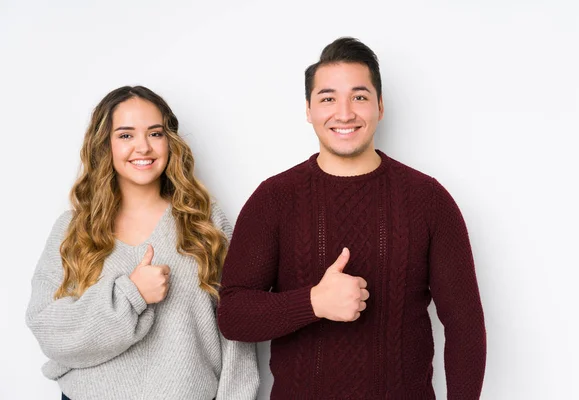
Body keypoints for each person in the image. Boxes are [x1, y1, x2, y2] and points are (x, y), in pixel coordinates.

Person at [217, 37, 486, 399]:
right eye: (328, 98)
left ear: (380, 106)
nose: (344, 113)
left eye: (359, 97)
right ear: (309, 110)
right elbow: (233, 315)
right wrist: (314, 302)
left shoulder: (429, 199)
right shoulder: (274, 199)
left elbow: (464, 326)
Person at [26, 86, 259, 400]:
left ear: (169, 141)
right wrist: (131, 294)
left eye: (155, 133)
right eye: (125, 135)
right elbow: (49, 331)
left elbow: (236, 330)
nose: (143, 147)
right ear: (104, 144)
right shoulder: (72, 230)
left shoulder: (204, 223)